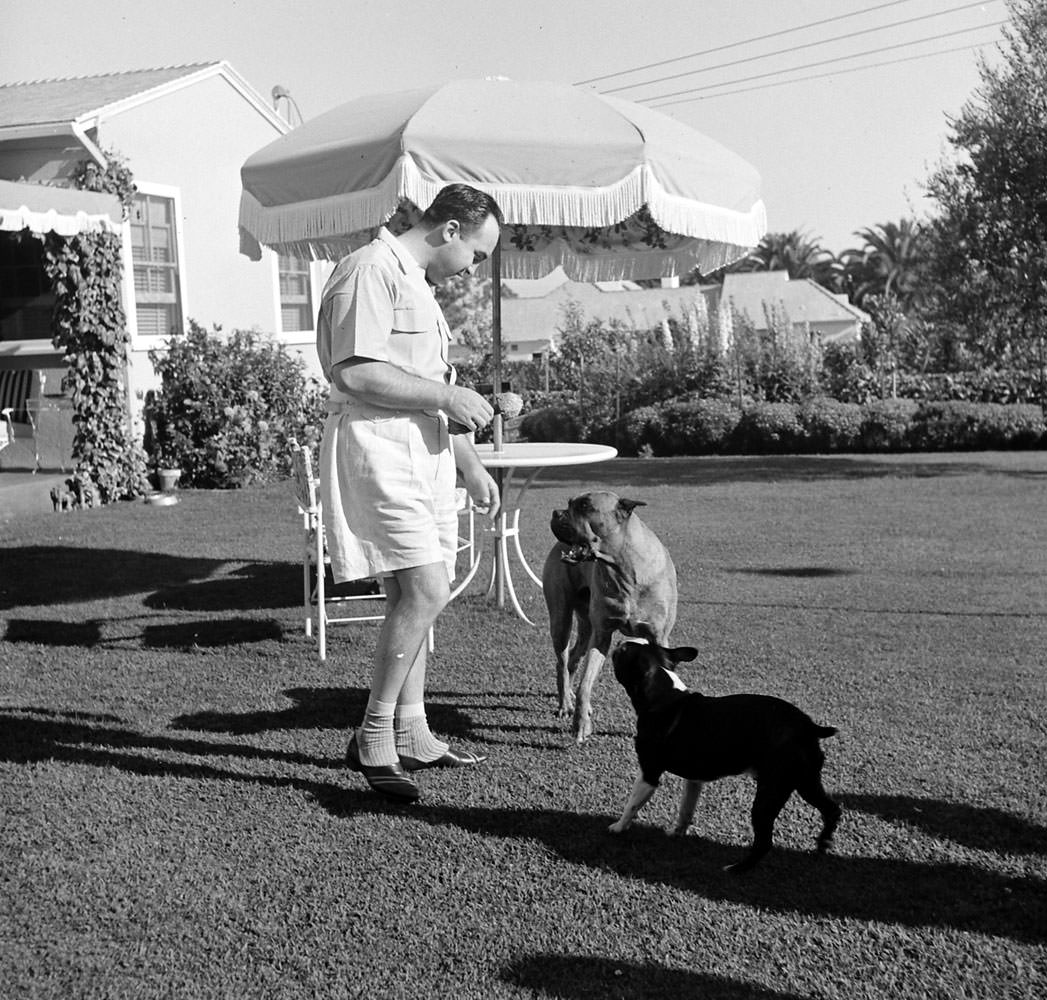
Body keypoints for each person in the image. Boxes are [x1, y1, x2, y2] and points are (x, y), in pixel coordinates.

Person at [316, 183, 503, 802]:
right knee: (426, 589)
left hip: (420, 453)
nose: (474, 269)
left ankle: (413, 729)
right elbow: (357, 370)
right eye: (477, 255)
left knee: (412, 592)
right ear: (449, 230)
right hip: (378, 447)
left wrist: (467, 461)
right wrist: (451, 398)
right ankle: (373, 735)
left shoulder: (415, 282)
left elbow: (425, 381)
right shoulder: (369, 270)